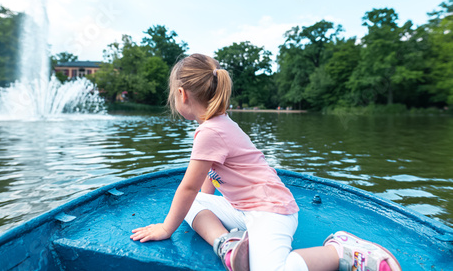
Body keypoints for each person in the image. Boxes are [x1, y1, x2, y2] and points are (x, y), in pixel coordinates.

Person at [131, 53, 401, 271]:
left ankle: (340, 251)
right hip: (245, 209)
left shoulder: (210, 131)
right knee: (192, 206)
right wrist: (209, 204)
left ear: (182, 94)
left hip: (272, 210)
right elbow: (205, 178)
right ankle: (227, 243)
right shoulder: (215, 125)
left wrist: (167, 228)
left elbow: (187, 188)